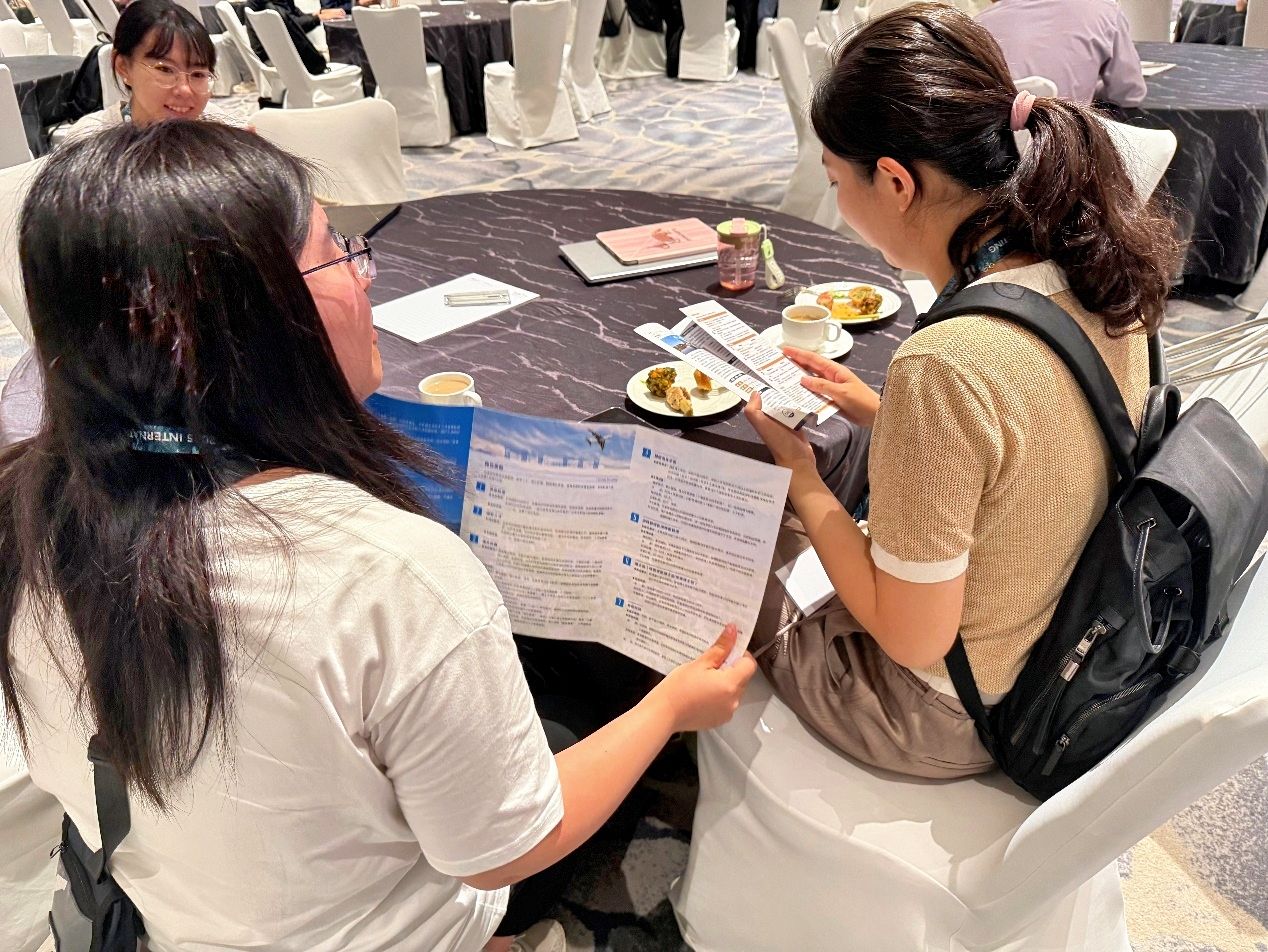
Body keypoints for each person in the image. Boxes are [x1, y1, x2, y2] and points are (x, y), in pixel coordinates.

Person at [0, 122, 755, 952]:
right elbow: (505, 852)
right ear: (238, 321)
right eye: (334, 253)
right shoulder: (391, 575)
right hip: (386, 932)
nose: (366, 274)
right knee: (581, 716)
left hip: (181, 919)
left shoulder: (25, 511)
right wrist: (670, 706)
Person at [744, 3, 1179, 779]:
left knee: (729, 535)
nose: (838, 203)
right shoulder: (1098, 266)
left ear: (895, 182)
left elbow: (912, 639)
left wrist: (803, 482)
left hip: (941, 713)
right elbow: (1038, 439)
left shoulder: (946, 365)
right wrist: (881, 412)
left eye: (837, 180)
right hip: (1066, 642)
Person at [64, 0, 244, 142]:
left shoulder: (218, 129)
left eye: (198, 74)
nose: (185, 90)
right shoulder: (92, 140)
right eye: (165, 69)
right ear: (123, 67)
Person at [976, 0, 1146, 106]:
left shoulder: (978, 23)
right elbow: (1129, 94)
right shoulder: (1105, 10)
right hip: (1067, 143)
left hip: (988, 146)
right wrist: (1090, 85)